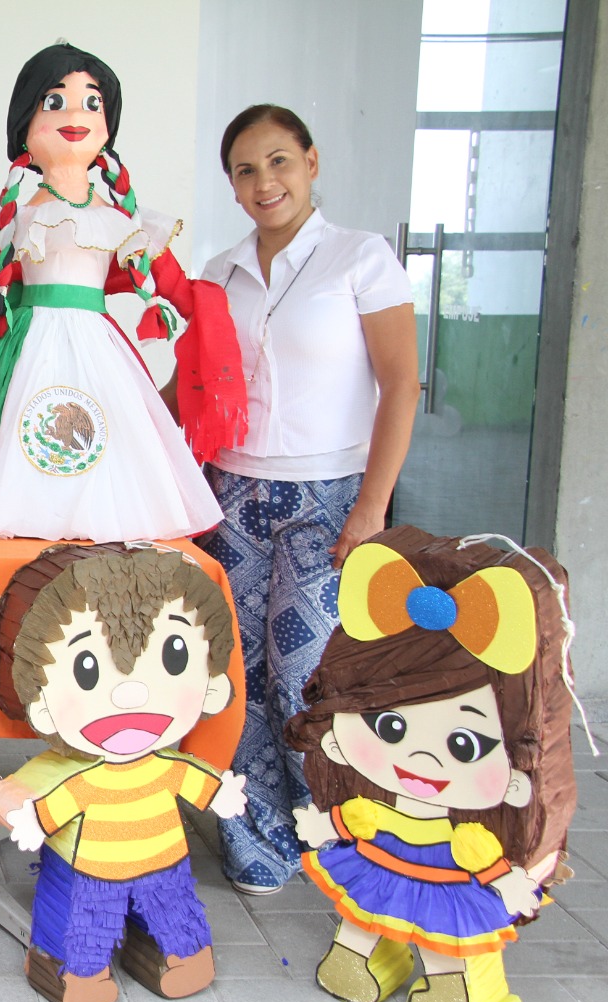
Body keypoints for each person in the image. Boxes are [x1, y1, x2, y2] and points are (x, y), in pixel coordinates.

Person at [195, 104, 420, 894]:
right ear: (232, 185)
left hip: (328, 497)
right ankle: (260, 836)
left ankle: (339, 833)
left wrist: (372, 508)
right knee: (237, 674)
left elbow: (402, 386)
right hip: (232, 491)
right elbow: (192, 385)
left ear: (311, 162)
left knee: (305, 676)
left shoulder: (360, 258)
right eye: (246, 170)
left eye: (280, 161)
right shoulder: (218, 273)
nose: (266, 182)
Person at [0, 41, 245, 541]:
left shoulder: (126, 221)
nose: (75, 115)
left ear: (107, 126)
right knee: (14, 435)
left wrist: (209, 311)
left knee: (112, 439)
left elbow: (172, 284)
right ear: (25, 123)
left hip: (98, 347)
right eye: (55, 101)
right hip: (24, 346)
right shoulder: (17, 218)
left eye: (92, 102)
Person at [286, 526, 575, 1002]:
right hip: (380, 862)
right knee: (364, 916)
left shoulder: (472, 838)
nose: (421, 758)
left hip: (445, 875)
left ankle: (452, 993)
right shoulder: (368, 805)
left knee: (448, 937)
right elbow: (353, 818)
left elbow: (488, 861)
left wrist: (513, 878)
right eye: (389, 726)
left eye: (464, 744)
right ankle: (362, 962)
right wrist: (323, 822)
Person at [0, 544, 246, 1002]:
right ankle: (72, 971)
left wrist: (220, 793)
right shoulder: (78, 778)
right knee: (82, 921)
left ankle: (177, 954)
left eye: (174, 655)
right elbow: (41, 801)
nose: (131, 694)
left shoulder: (165, 765)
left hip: (164, 862)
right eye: (86, 668)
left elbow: (193, 779)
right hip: (90, 869)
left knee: (173, 911)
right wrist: (27, 816)